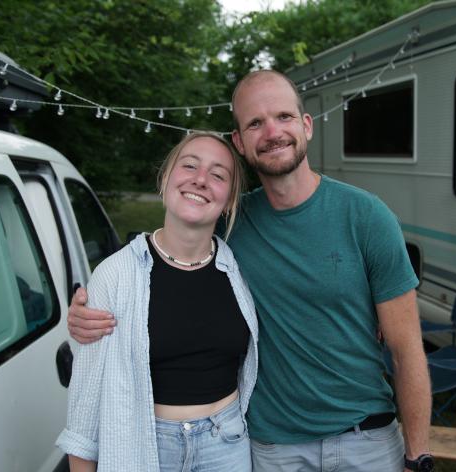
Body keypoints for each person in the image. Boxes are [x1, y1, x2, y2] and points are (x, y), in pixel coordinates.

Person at [68, 70, 433, 471]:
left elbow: (406, 350)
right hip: (273, 448)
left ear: (306, 125)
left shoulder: (367, 217)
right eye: (255, 123)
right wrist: (89, 312)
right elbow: (167, 254)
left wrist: (417, 457)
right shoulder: (230, 226)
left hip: (366, 440)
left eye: (284, 117)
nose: (272, 131)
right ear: (240, 142)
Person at [57, 132, 258, 472]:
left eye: (218, 174)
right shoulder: (115, 275)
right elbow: (85, 400)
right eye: (190, 165)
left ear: (230, 199)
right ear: (165, 178)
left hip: (227, 444)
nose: (201, 179)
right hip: (142, 445)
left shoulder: (240, 270)